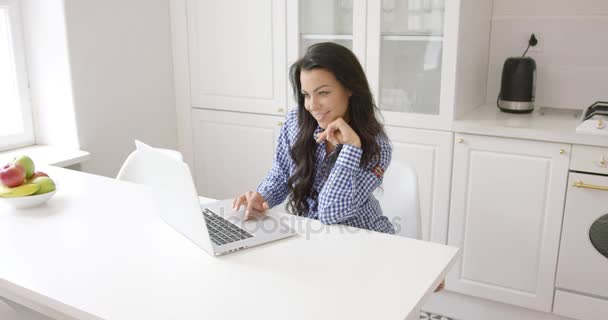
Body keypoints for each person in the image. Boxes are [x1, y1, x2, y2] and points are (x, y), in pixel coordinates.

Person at [232, 42, 394, 234]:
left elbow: (330, 213)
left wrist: (351, 147)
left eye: (323, 93)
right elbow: (282, 172)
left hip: (364, 238)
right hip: (313, 236)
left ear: (350, 89)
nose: (312, 105)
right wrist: (262, 197)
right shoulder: (297, 121)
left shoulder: (378, 146)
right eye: (306, 95)